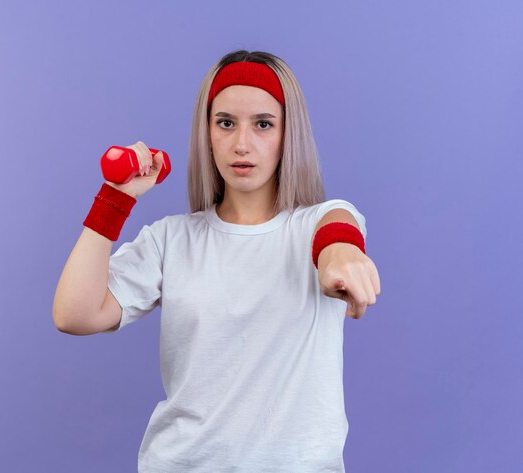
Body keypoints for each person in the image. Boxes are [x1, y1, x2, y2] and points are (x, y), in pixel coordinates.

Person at [53, 49, 381, 472]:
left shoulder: (320, 221)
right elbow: (73, 314)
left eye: (263, 124)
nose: (241, 144)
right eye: (226, 123)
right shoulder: (171, 239)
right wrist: (114, 199)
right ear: (207, 132)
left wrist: (340, 254)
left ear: (288, 134)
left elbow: (338, 232)